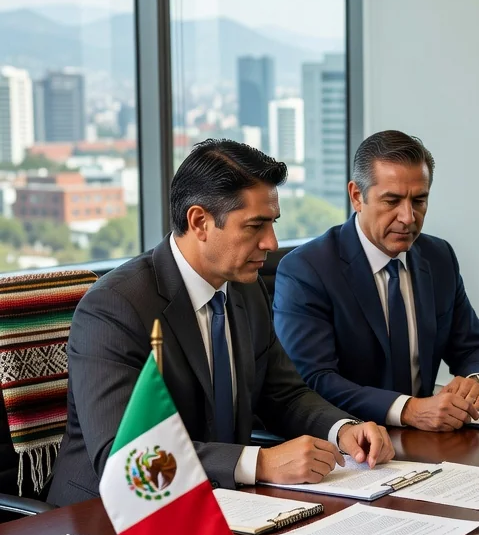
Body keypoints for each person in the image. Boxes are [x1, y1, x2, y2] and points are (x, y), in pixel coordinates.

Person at [49, 139, 394, 507]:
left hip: (223, 503)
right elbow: (127, 458)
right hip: (112, 515)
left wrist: (342, 430)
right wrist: (260, 463)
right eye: (255, 226)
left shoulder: (246, 289)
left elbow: (284, 395)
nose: (271, 242)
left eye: (272, 223)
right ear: (200, 222)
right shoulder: (115, 307)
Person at [273, 130, 479, 430]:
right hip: (351, 441)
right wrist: (407, 410)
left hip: (429, 437)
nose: (408, 217)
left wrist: (478, 381)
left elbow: (475, 348)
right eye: (392, 200)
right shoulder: (307, 269)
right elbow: (315, 381)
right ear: (357, 196)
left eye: (419, 200)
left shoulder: (438, 257)